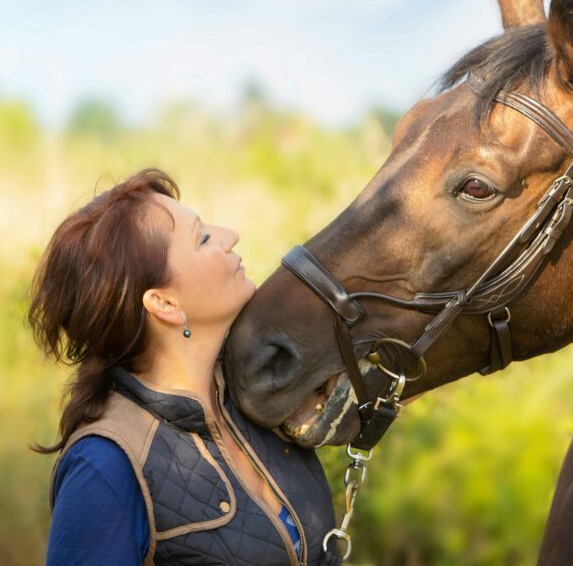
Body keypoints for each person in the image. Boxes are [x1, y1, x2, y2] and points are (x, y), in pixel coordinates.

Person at [28, 168, 340, 565]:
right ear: (164, 304)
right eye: (204, 238)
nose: (230, 235)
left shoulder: (260, 391)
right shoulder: (105, 467)